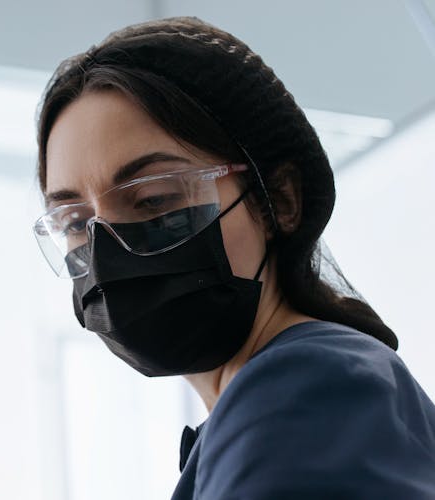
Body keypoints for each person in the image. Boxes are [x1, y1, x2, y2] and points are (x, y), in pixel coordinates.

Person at [31, 16, 435, 499]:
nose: (107, 253)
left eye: (155, 199)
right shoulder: (279, 402)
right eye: (76, 224)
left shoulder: (304, 391)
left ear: (279, 201)